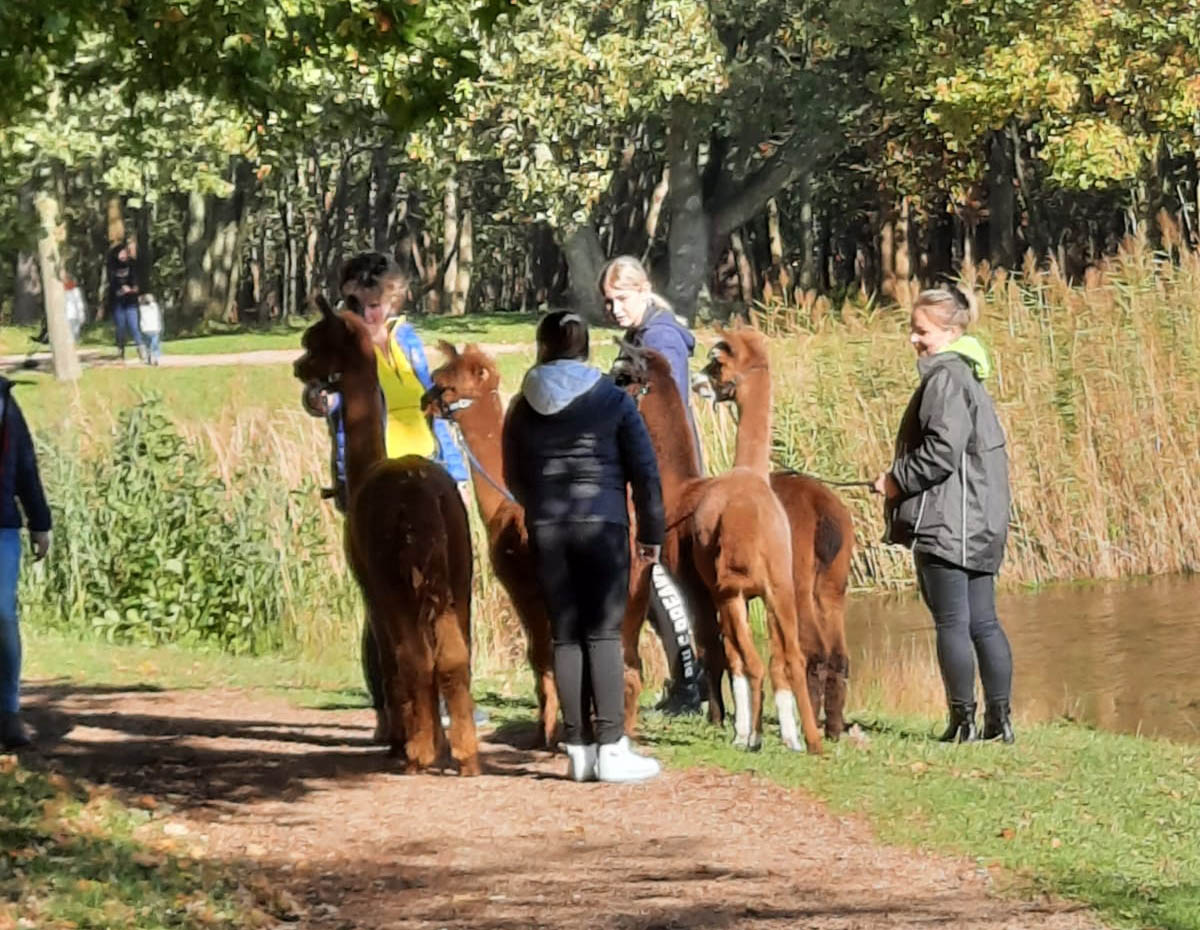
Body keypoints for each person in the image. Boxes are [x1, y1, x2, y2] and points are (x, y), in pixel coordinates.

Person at [301, 252, 470, 737]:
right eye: (361, 301)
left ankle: (444, 697)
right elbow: (319, 393)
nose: (372, 312)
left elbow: (424, 392)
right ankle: (392, 709)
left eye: (379, 302)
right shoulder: (342, 339)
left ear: (394, 298)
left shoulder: (406, 338)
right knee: (384, 596)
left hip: (427, 471)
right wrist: (320, 397)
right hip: (372, 477)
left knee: (441, 590)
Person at [503, 310, 665, 783]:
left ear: (542, 346)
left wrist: (539, 507)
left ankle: (578, 750)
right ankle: (612, 746)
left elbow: (514, 473)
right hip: (605, 525)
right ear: (586, 348)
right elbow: (645, 472)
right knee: (603, 635)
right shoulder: (613, 400)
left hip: (549, 529)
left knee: (565, 635)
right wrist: (651, 533)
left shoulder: (522, 404)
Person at [872, 287, 1015, 744]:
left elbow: (941, 453)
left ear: (951, 333)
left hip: (950, 523)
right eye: (913, 330)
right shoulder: (969, 376)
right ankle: (999, 724)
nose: (914, 340)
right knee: (983, 623)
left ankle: (963, 724)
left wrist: (895, 480)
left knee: (955, 623)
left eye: (923, 332)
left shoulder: (946, 378)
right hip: (979, 521)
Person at [599, 255, 706, 716]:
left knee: (659, 572)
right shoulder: (640, 336)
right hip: (643, 466)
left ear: (643, 290)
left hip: (665, 471)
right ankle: (687, 680)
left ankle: (691, 682)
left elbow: (669, 408)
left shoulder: (661, 339)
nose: (615, 309)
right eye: (608, 302)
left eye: (621, 299)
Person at [0, 378, 52, 750]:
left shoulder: (5, 405)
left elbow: (24, 464)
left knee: (2, 615)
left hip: (1, 526)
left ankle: (8, 711)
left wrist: (40, 521)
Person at [107, 239, 143, 362]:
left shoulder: (133, 265)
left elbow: (137, 285)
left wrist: (131, 290)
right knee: (120, 327)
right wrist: (119, 290)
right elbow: (111, 284)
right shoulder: (112, 267)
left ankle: (141, 349)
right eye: (120, 253)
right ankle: (120, 351)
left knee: (134, 326)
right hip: (118, 303)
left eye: (125, 253)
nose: (123, 256)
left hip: (131, 302)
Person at [138, 293, 164, 366]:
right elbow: (150, 302)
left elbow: (140, 301)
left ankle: (150, 358)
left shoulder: (142, 308)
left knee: (148, 345)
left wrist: (142, 299)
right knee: (155, 345)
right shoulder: (154, 306)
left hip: (146, 329)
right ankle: (154, 358)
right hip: (153, 329)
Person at [63, 275, 86, 343]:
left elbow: (79, 303)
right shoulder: (62, 291)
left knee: (75, 330)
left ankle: (74, 341)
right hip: (67, 315)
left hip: (75, 314)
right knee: (69, 331)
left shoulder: (76, 291)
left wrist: (81, 314)